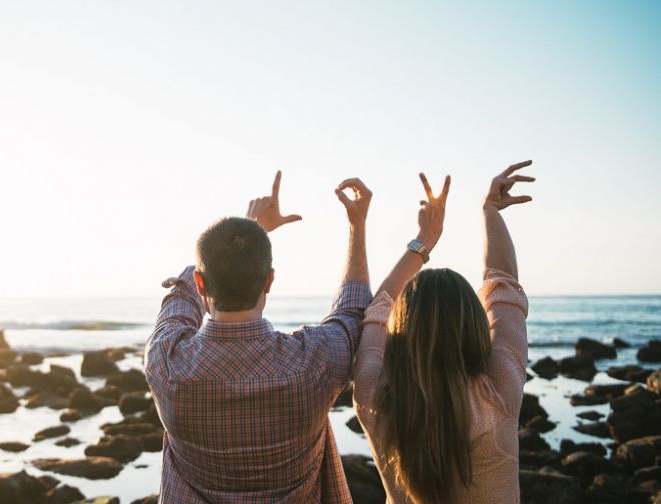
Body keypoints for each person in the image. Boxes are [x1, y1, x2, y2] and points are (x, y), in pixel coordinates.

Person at [144, 170, 373, 502]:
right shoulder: (313, 362)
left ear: (201, 282)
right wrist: (357, 224)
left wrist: (248, 229)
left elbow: (180, 299)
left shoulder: (166, 363)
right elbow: (352, 311)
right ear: (269, 281)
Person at [353, 161, 534, 504]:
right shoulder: (499, 394)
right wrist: (490, 210)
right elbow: (503, 286)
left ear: (401, 330)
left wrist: (424, 239)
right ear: (475, 327)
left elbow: (379, 309)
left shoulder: (373, 399)